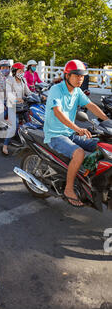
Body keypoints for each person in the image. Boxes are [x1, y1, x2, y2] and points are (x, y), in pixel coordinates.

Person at [44, 59, 109, 207]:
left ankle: (90, 176)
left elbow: (91, 105)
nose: (80, 78)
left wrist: (107, 120)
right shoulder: (57, 90)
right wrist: (77, 129)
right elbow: (58, 112)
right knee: (78, 153)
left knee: (103, 145)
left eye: (82, 76)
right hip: (56, 134)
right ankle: (68, 189)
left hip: (71, 133)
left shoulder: (77, 91)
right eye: (77, 75)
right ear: (67, 75)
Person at [0, 60, 17, 156]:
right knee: (0, 118)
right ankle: (4, 145)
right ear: (0, 69)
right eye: (3, 68)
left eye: (7, 68)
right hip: (0, 102)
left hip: (12, 102)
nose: (5, 70)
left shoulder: (12, 78)